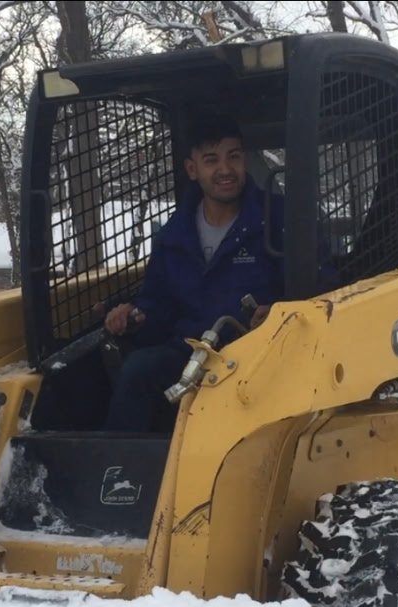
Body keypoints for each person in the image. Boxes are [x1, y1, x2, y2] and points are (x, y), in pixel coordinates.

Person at [100, 113, 287, 433]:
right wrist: (137, 315)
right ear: (192, 169)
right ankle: (123, 473)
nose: (225, 170)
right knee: (138, 370)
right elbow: (159, 302)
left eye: (234, 156)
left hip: (263, 355)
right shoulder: (175, 235)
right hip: (192, 354)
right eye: (211, 160)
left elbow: (318, 285)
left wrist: (281, 311)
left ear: (245, 160)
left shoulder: (279, 218)